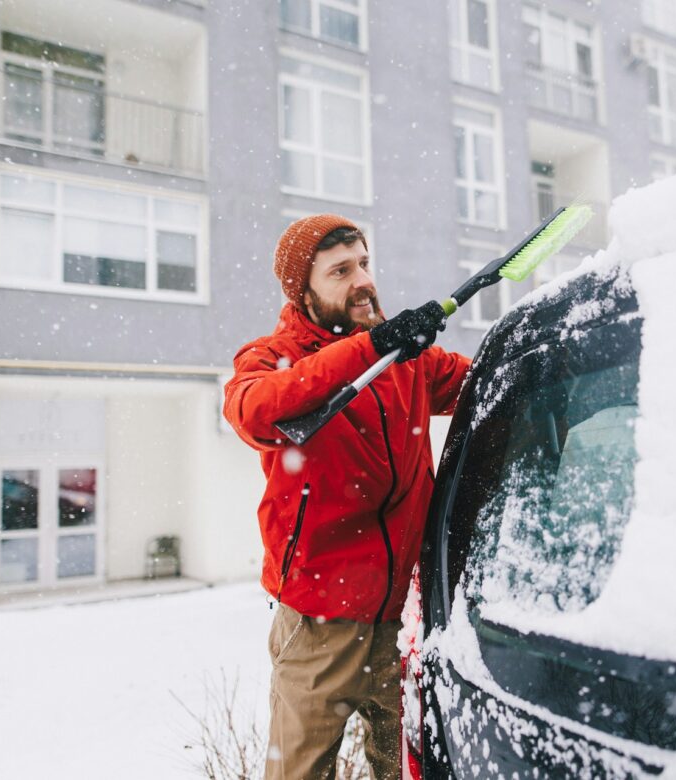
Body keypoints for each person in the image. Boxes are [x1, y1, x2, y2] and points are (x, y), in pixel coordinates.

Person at [223, 214, 471, 779]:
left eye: (364, 263)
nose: (362, 280)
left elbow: (482, 384)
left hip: (404, 621)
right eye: (340, 271)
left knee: (405, 770)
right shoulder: (271, 358)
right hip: (318, 627)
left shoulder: (407, 359)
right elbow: (254, 409)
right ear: (303, 292)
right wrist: (371, 348)